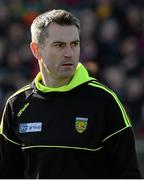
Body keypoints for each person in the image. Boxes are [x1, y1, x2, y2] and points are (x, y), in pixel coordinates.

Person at [0, 9, 142, 179]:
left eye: (74, 44)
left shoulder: (105, 101)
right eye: (59, 45)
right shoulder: (17, 105)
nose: (69, 53)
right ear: (36, 50)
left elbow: (129, 174)